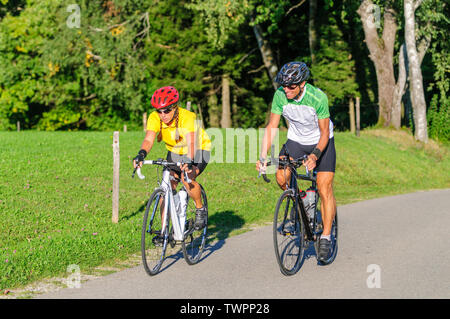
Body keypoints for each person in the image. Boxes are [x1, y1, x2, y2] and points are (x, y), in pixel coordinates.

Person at [256, 62, 337, 262]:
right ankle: (300, 200)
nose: (287, 89)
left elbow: (325, 132)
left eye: (291, 86)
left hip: (321, 141)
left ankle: (325, 236)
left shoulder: (318, 97)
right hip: (296, 141)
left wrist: (315, 155)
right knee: (282, 176)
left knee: (323, 186)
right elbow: (272, 126)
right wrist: (262, 156)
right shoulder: (280, 96)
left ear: (302, 84)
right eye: (284, 85)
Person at [133, 86, 211, 230]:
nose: (163, 115)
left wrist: (188, 160)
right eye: (159, 111)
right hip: (175, 151)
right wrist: (141, 154)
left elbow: (192, 142)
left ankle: (200, 209)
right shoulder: (155, 117)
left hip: (198, 149)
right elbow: (149, 139)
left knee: (186, 178)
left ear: (175, 107)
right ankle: (164, 231)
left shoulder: (186, 117)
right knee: (166, 186)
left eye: (167, 110)